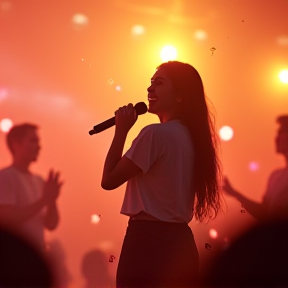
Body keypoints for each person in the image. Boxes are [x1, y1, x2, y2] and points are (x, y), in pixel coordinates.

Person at [101, 61, 223, 287]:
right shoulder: (195, 139)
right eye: (150, 83)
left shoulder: (155, 135)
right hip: (182, 244)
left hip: (148, 243)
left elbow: (108, 180)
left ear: (179, 95)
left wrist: (121, 130)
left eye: (159, 83)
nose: (150, 89)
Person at [0, 123, 63, 254]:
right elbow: (7, 219)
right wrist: (44, 200)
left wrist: (51, 201)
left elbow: (51, 225)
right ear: (16, 144)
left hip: (35, 256)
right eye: (33, 141)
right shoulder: (5, 177)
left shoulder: (39, 180)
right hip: (12, 256)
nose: (39, 146)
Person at [222, 115, 288, 222]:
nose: (276, 138)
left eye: (281, 132)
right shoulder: (275, 176)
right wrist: (234, 193)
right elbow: (263, 212)